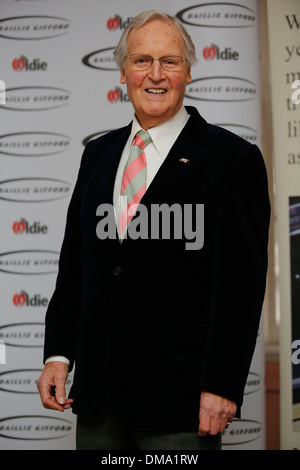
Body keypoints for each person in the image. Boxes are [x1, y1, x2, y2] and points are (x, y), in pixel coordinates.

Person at [37, 10, 270, 450]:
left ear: (188, 71)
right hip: (99, 401)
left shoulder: (232, 161)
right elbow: (76, 268)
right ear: (123, 71)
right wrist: (58, 354)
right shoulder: (98, 155)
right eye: (142, 60)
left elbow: (239, 289)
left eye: (171, 61)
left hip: (180, 405)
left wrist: (222, 384)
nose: (156, 75)